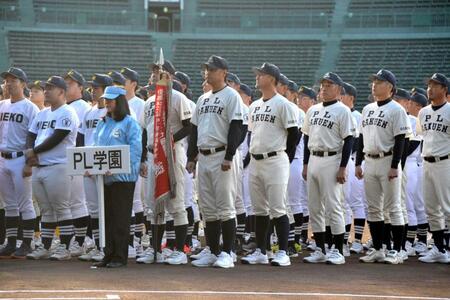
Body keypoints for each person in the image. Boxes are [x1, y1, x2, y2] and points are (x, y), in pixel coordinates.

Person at [187, 55, 246, 268]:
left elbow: (238, 127)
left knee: (226, 207)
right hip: (203, 157)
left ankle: (228, 252)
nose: (207, 72)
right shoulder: (203, 99)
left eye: (211, 69)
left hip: (222, 156)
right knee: (208, 208)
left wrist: (230, 155)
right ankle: (212, 251)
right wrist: (191, 157)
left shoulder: (231, 96)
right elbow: (194, 129)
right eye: (206, 69)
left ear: (223, 73)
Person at [240, 62, 298, 267]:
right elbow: (251, 134)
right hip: (256, 161)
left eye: (261, 74)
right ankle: (261, 251)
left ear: (272, 79)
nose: (257, 77)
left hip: (275, 159)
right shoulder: (254, 105)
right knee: (259, 210)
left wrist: (285, 158)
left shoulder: (284, 104)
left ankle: (282, 252)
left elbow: (294, 135)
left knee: (277, 207)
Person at [357, 69, 411, 265]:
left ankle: (397, 250)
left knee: (393, 207)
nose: (374, 85)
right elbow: (362, 136)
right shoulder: (367, 109)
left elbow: (401, 141)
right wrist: (357, 162)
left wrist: (395, 165)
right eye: (374, 81)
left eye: (379, 82)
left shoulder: (397, 110)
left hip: (388, 161)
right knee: (373, 208)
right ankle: (379, 249)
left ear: (390, 87)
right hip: (370, 161)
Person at [302, 72, 355, 265]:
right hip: (314, 159)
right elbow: (306, 137)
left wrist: (343, 167)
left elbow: (349, 140)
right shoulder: (313, 110)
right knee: (315, 207)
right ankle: (321, 249)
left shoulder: (343, 111)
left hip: (332, 159)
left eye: (329, 85)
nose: (324, 87)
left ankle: (338, 251)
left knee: (334, 206)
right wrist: (306, 164)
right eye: (323, 84)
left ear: (339, 89)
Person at [25, 76, 79, 261]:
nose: (46, 91)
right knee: (46, 209)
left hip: (59, 164)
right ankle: (46, 246)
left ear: (62, 92)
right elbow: (31, 134)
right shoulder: (42, 113)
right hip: (40, 166)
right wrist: (30, 151)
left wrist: (33, 151)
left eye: (50, 88)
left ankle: (65, 247)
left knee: (62, 208)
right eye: (45, 88)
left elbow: (58, 137)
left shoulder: (67, 112)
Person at [92, 86, 142, 268]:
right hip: (104, 178)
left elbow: (135, 151)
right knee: (107, 217)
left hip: (123, 180)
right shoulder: (103, 122)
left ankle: (120, 256)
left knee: (120, 217)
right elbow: (95, 147)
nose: (107, 103)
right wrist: (91, 166)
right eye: (106, 100)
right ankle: (108, 253)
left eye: (111, 100)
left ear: (119, 102)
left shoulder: (130, 123)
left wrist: (119, 169)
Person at [0, 67, 39, 258]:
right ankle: (11, 243)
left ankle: (27, 243)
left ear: (23, 83)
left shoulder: (30, 108)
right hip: (3, 157)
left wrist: (29, 163)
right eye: (7, 80)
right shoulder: (2, 105)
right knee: (9, 204)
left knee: (25, 203)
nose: (9, 83)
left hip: (20, 158)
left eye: (13, 80)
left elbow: (35, 138)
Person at [77, 74, 113, 262]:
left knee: (106, 208)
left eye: (96, 89)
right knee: (93, 209)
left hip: (106, 165)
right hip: (89, 165)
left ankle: (107, 247)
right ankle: (99, 246)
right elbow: (81, 138)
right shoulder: (89, 112)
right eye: (91, 89)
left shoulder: (111, 112)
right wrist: (83, 162)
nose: (93, 92)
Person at [417, 73, 450, 264]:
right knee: (431, 208)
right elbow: (424, 138)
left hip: (445, 162)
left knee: (448, 207)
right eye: (429, 85)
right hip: (427, 163)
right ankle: (439, 248)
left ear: (444, 89)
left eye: (435, 85)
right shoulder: (423, 112)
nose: (430, 88)